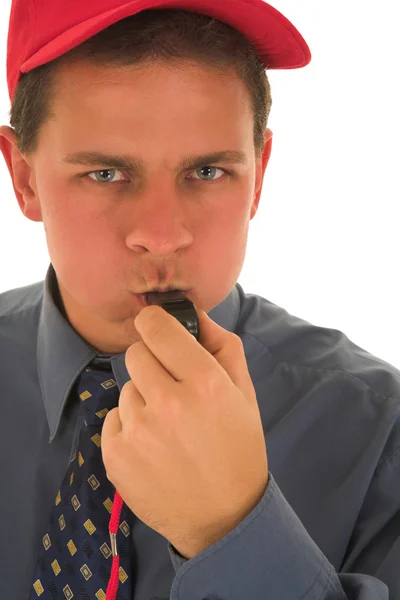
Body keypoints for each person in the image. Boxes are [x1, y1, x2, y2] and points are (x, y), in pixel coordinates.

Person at [0, 0, 399, 598]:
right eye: (106, 174)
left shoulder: (381, 435)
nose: (161, 235)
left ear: (258, 175)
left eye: (208, 172)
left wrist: (231, 526)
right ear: (25, 178)